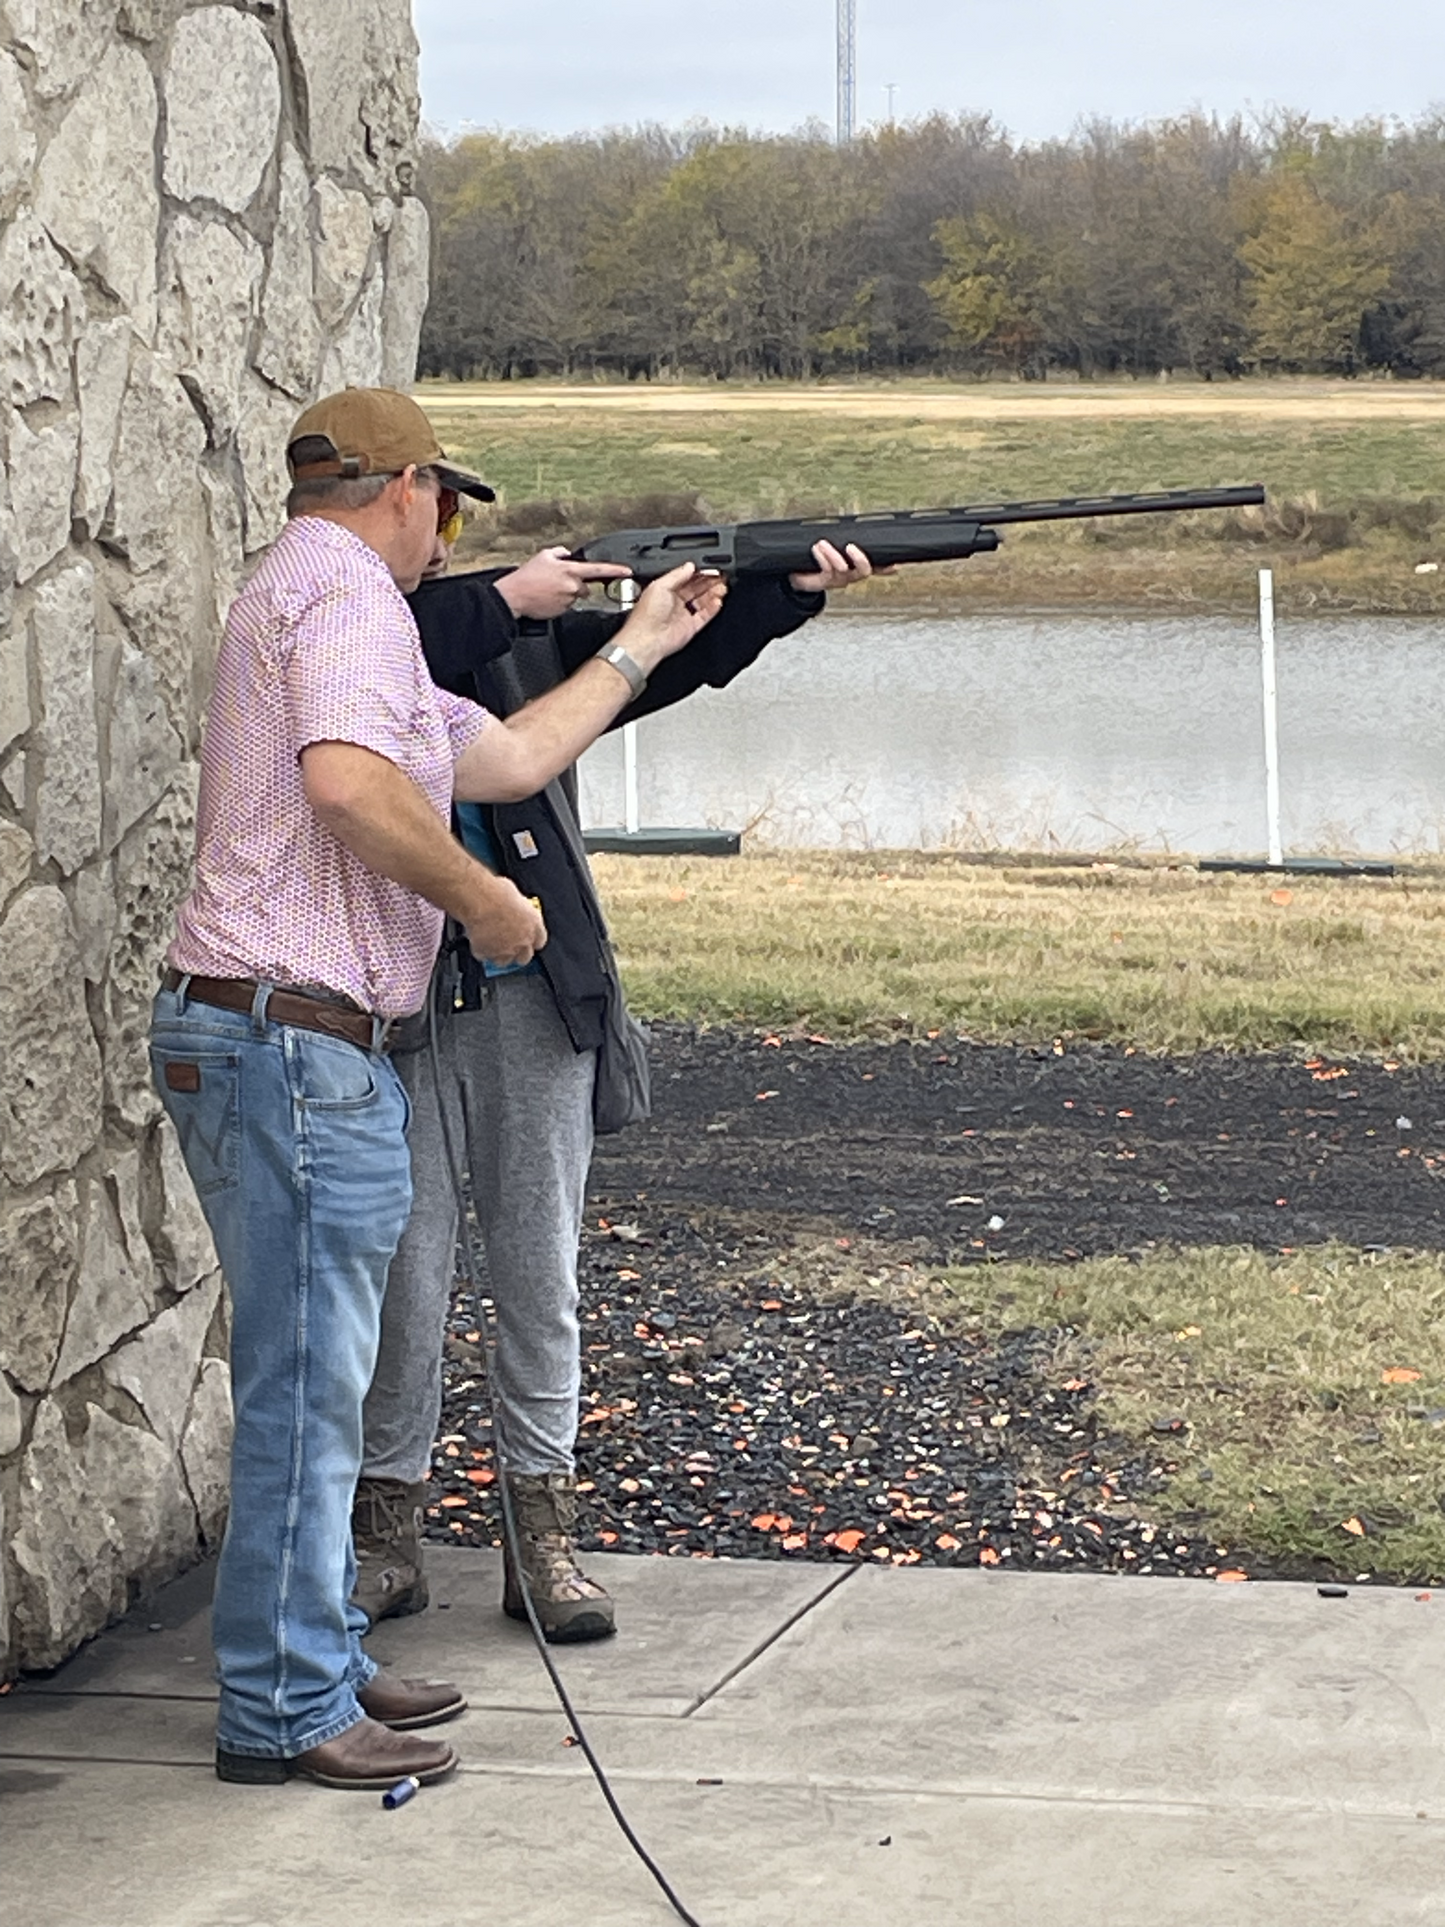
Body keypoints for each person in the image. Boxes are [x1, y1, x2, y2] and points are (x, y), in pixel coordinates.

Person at [149, 386, 727, 1790]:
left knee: (325, 1377)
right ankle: (284, 1705)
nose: (450, 529)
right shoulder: (345, 597)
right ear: (402, 487)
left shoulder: (323, 600)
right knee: (304, 1387)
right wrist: (485, 901)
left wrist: (644, 644)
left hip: (281, 1038)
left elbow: (512, 754)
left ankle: (322, 1655)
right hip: (292, 1038)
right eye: (448, 503)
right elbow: (347, 787)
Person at [352, 523, 875, 1641]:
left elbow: (662, 659)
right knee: (402, 1277)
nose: (437, 541)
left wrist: (778, 594)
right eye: (432, 517)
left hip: (536, 993)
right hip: (391, 998)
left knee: (536, 1273)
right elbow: (424, 633)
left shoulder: (523, 642)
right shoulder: (360, 631)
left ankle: (540, 1532)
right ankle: (380, 1533)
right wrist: (508, 595)